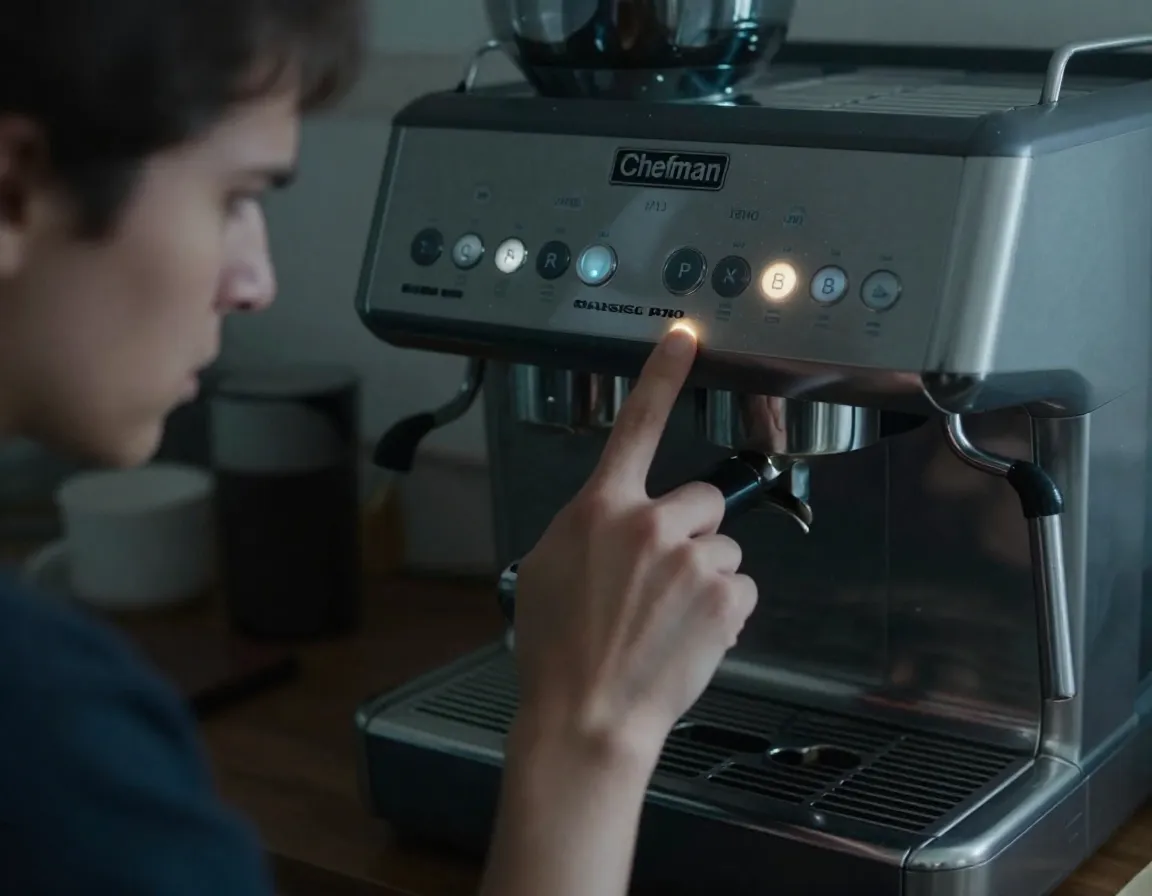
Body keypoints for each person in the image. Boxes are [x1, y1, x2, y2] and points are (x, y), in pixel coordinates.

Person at [0, 2, 758, 894]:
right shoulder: (50, 734)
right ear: (14, 190)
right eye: (235, 196)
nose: (257, 283)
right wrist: (591, 731)